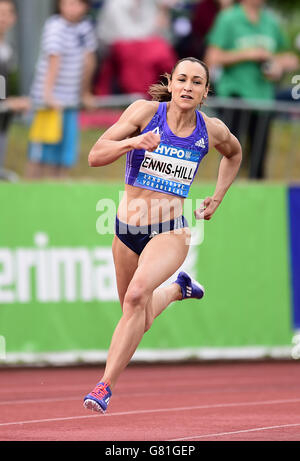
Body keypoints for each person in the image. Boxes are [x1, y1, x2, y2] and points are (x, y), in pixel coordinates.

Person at [82, 56, 242, 413]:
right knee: (136, 313)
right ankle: (176, 290)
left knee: (137, 296)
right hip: (126, 230)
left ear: (204, 92)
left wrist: (217, 197)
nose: (188, 87)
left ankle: (104, 385)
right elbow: (95, 155)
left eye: (196, 82)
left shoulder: (211, 129)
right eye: (182, 79)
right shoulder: (143, 112)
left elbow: (234, 154)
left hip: (171, 229)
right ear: (171, 84)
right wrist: (132, 143)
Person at [204, 0, 299, 179]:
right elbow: (211, 57)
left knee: (258, 161)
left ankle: (257, 201)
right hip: (235, 97)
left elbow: (291, 58)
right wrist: (248, 54)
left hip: (263, 99)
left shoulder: (270, 21)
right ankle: (222, 197)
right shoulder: (228, 18)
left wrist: (277, 64)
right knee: (230, 156)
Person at [25, 0, 98, 179]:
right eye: (67, 3)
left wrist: (85, 93)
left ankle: (55, 196)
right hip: (48, 104)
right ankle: (29, 193)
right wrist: (47, 94)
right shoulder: (55, 26)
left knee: (65, 155)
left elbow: (89, 61)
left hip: (70, 102)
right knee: (41, 154)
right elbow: (53, 60)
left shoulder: (85, 28)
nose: (71, 8)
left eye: (76, 4)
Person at [94, 0, 176, 96]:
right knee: (143, 56)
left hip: (142, 44)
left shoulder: (149, 4)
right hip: (115, 44)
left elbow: (161, 34)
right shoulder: (115, 4)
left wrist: (163, 11)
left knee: (163, 54)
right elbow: (125, 33)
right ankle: (141, 98)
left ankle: (177, 88)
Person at [0, 0, 30, 180]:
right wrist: (7, 102)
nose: (2, 18)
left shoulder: (8, 51)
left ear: (13, 18)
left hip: (3, 123)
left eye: (6, 13)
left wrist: (10, 102)